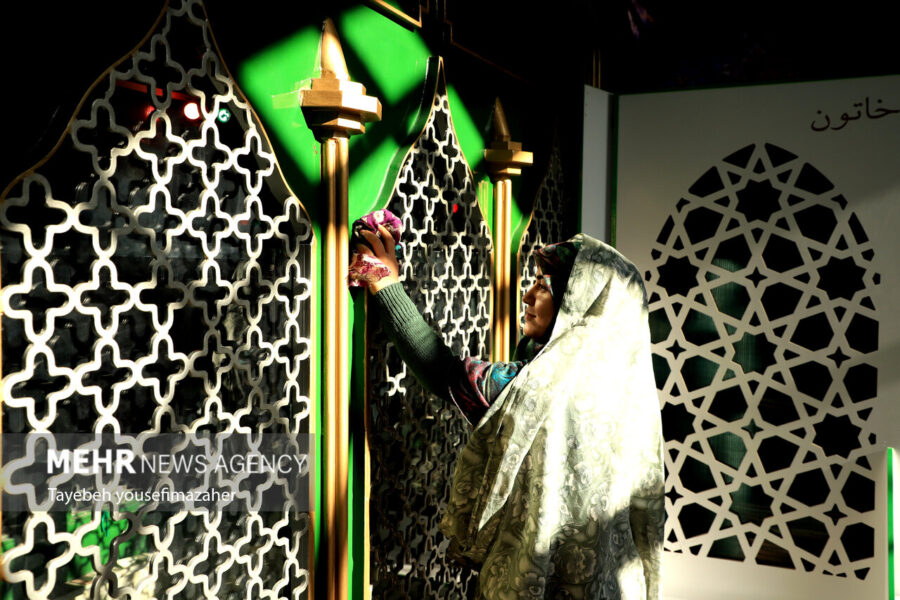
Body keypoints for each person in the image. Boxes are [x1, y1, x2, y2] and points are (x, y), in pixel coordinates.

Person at [356, 226, 664, 600]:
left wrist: (386, 283)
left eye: (544, 287)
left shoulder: (543, 389)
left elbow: (441, 371)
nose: (527, 296)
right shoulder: (629, 393)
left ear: (578, 308)